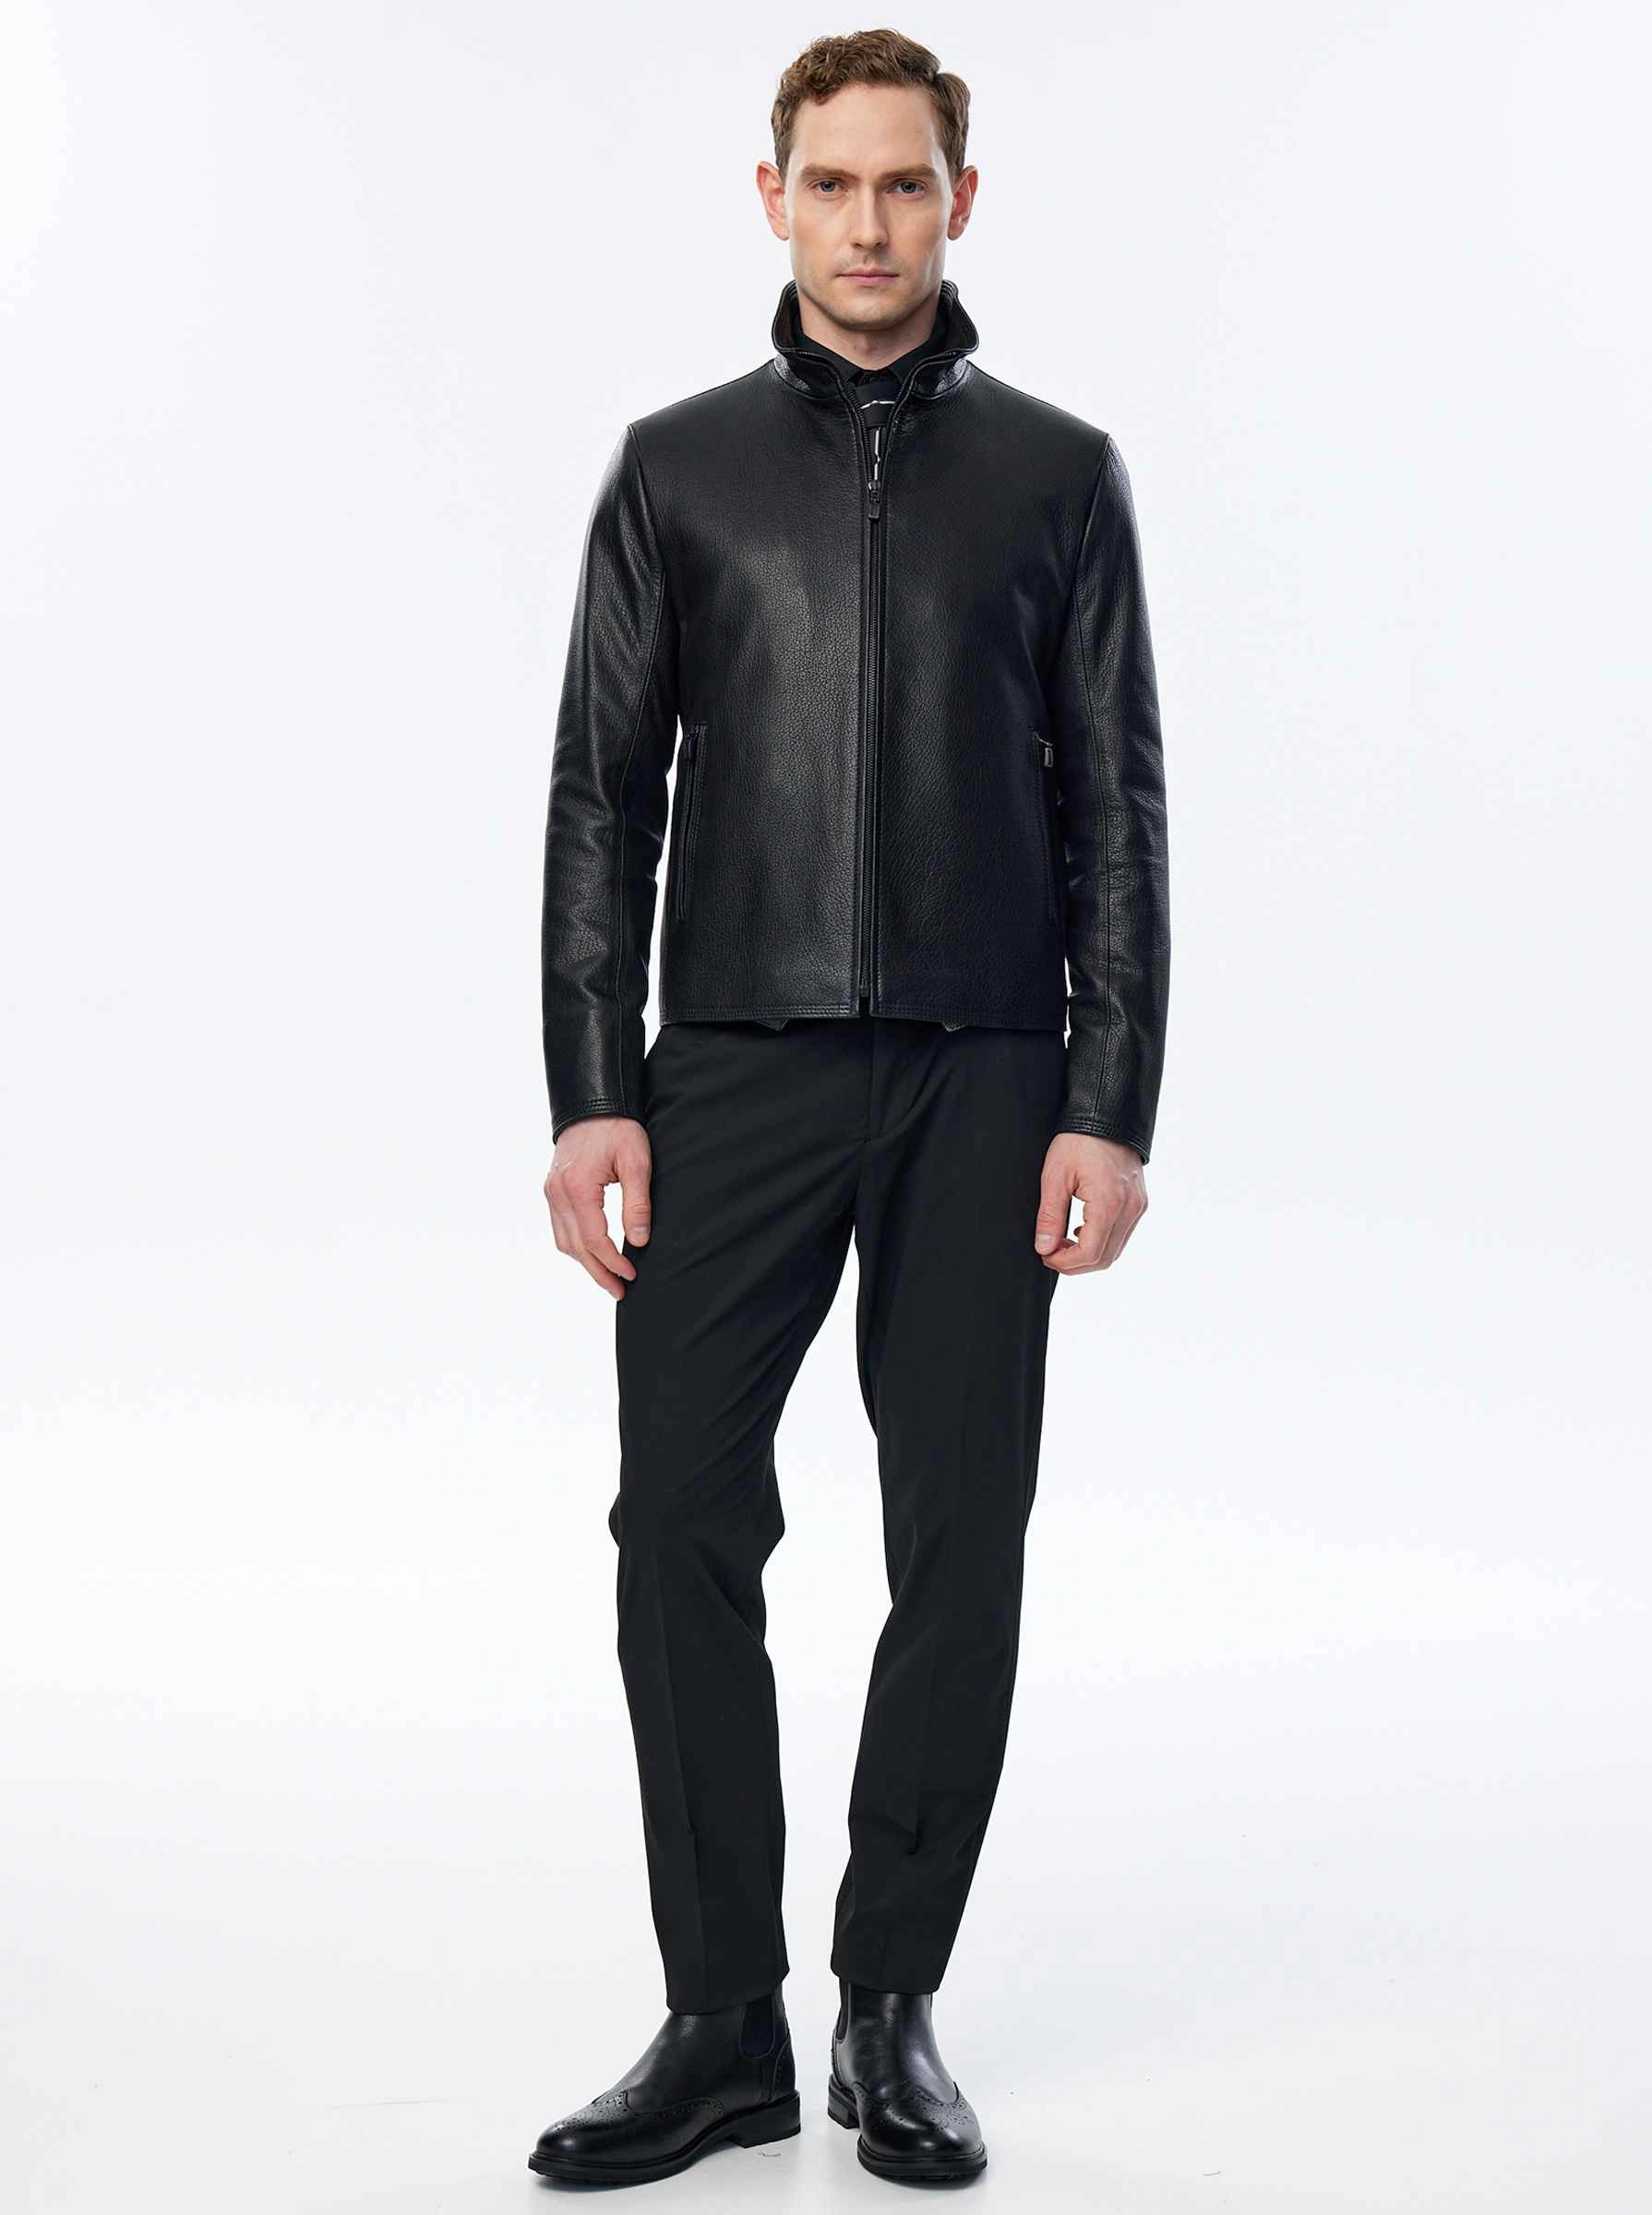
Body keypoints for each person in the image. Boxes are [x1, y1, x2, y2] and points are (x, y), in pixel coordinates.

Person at [529, 25, 1170, 2189]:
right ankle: (724, 2020)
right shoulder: (677, 472)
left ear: (961, 205)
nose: (870, 225)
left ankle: (889, 2003)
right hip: (731, 1061)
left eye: (908, 186)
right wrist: (591, 1089)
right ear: (772, 197)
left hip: (992, 1069)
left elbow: (1118, 815)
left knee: (957, 1531)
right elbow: (603, 800)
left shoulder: (1060, 478)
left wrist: (1109, 1098)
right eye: (834, 184)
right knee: (678, 1522)